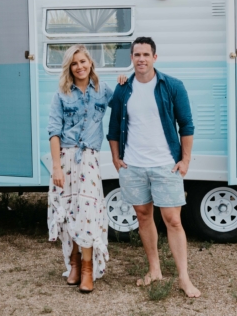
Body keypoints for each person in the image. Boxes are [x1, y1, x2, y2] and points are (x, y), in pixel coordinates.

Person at [107, 36, 201, 298]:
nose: (141, 59)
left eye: (146, 54)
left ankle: (184, 278)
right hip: (134, 165)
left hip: (165, 165)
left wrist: (185, 159)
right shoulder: (123, 89)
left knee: (172, 220)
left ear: (155, 57)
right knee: (143, 217)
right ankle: (155, 269)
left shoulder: (172, 86)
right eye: (137, 55)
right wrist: (116, 159)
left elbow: (187, 125)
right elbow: (113, 128)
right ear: (132, 58)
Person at [47, 45, 127, 293]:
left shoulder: (103, 91)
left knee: (88, 215)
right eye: (74, 63)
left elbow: (123, 107)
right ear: (69, 68)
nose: (80, 67)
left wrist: (125, 84)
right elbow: (53, 132)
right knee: (68, 213)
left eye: (83, 61)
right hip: (66, 159)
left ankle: (88, 269)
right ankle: (72, 265)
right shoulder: (61, 94)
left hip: (89, 161)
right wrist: (57, 168)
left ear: (90, 63)